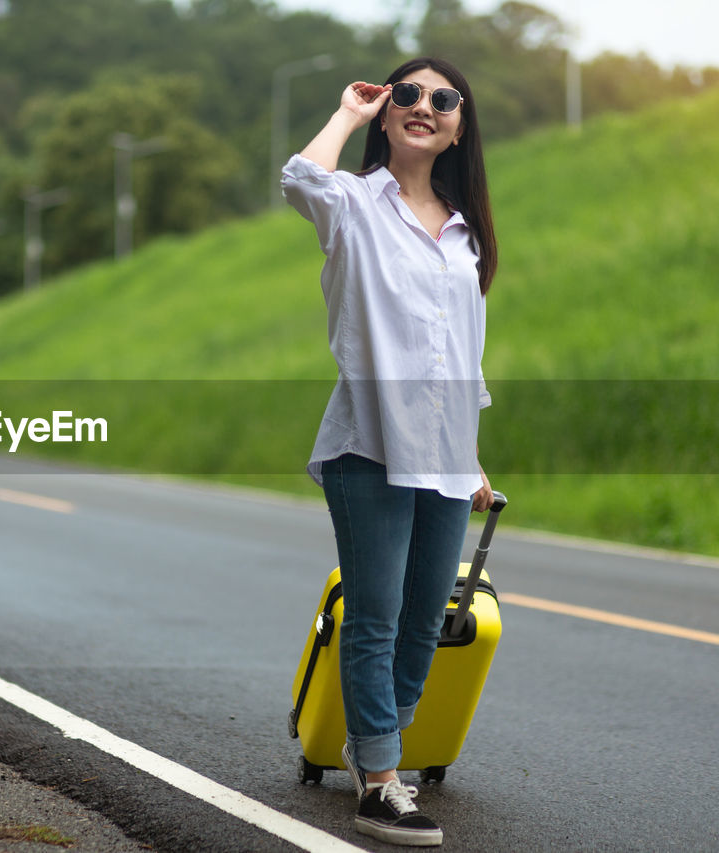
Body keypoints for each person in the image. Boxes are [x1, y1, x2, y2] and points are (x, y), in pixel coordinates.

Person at [281, 57, 497, 848]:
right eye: (407, 94)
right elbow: (300, 177)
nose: (424, 107)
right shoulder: (355, 205)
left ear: (460, 126)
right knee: (372, 618)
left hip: (443, 455)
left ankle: (378, 744)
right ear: (386, 111)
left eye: (445, 100)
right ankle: (379, 779)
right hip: (367, 445)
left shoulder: (466, 230)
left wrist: (471, 454)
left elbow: (462, 357)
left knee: (422, 622)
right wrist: (346, 112)